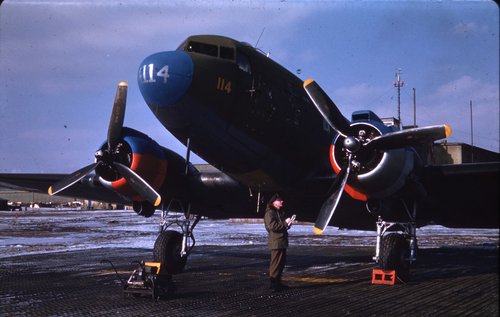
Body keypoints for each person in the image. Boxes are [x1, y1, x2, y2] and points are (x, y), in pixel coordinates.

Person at [264, 193, 294, 292]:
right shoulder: (270, 213)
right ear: (274, 202)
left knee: (281, 263)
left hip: (281, 241)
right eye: (279, 200)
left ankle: (278, 283)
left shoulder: (277, 212)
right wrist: (285, 223)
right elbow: (272, 227)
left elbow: (280, 226)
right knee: (276, 263)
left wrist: (288, 224)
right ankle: (273, 284)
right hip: (276, 242)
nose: (282, 201)